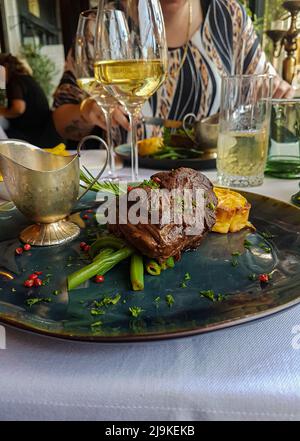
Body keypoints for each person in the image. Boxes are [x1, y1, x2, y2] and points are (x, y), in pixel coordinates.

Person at [53, 0, 295, 144]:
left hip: (213, 179)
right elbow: (63, 122)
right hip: (126, 182)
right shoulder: (101, 23)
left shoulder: (230, 17)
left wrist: (279, 93)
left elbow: (267, 86)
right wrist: (86, 111)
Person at [0, 53, 60, 146]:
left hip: (32, 136)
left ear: (5, 67)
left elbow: (18, 109)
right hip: (45, 132)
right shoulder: (26, 79)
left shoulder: (15, 81)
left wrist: (2, 112)